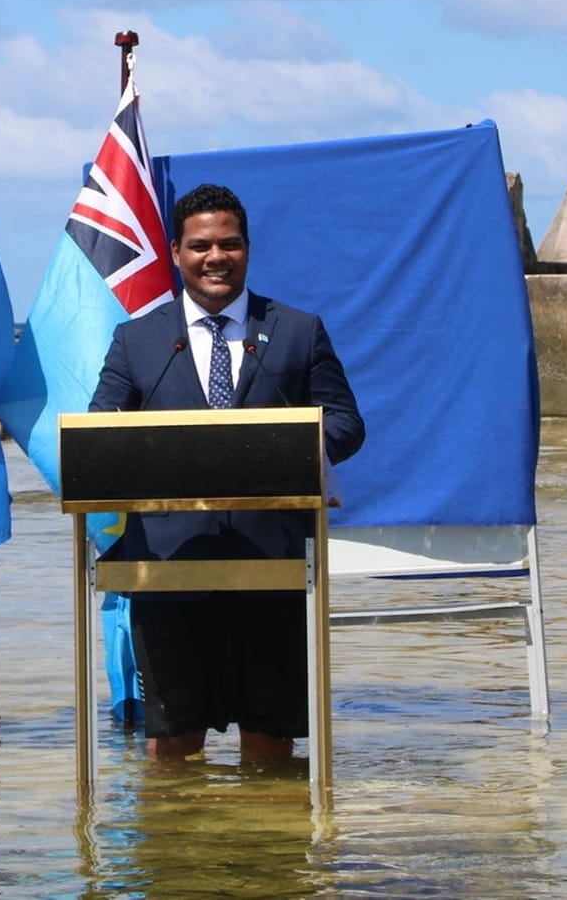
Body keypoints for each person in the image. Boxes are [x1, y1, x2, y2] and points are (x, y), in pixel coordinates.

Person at [89, 183, 364, 761]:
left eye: (229, 244)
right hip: (167, 567)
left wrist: (285, 453)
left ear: (247, 249)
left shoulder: (296, 330)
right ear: (176, 252)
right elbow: (100, 429)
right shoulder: (138, 340)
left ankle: (261, 850)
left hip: (273, 563)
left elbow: (345, 422)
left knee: (270, 744)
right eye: (201, 246)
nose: (216, 257)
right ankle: (181, 850)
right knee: (171, 745)